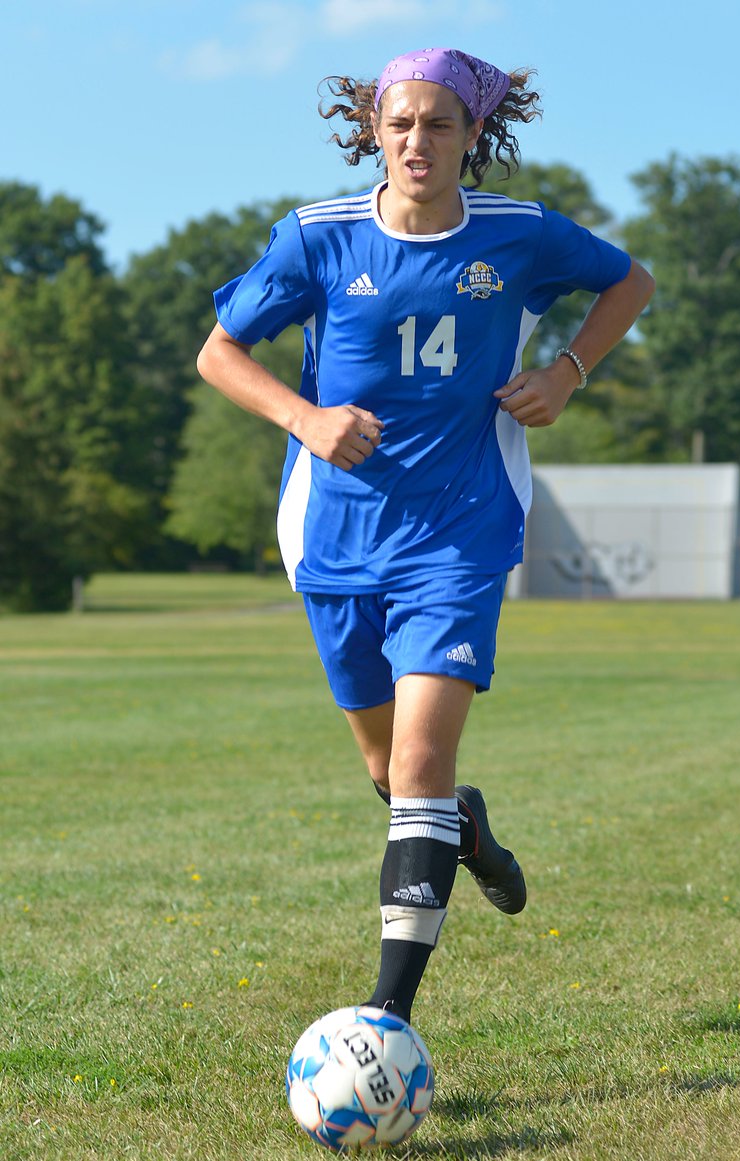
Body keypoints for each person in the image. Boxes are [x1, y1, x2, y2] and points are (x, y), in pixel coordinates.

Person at [197, 47, 655, 1025]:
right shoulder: (314, 239)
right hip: (333, 539)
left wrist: (567, 371)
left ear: (472, 136)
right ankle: (466, 832)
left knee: (416, 767)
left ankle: (385, 1020)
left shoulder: (520, 236)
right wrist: (306, 418)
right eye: (399, 123)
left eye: (438, 124)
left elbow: (629, 282)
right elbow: (219, 351)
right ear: (373, 130)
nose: (417, 140)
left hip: (461, 532)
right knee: (386, 772)